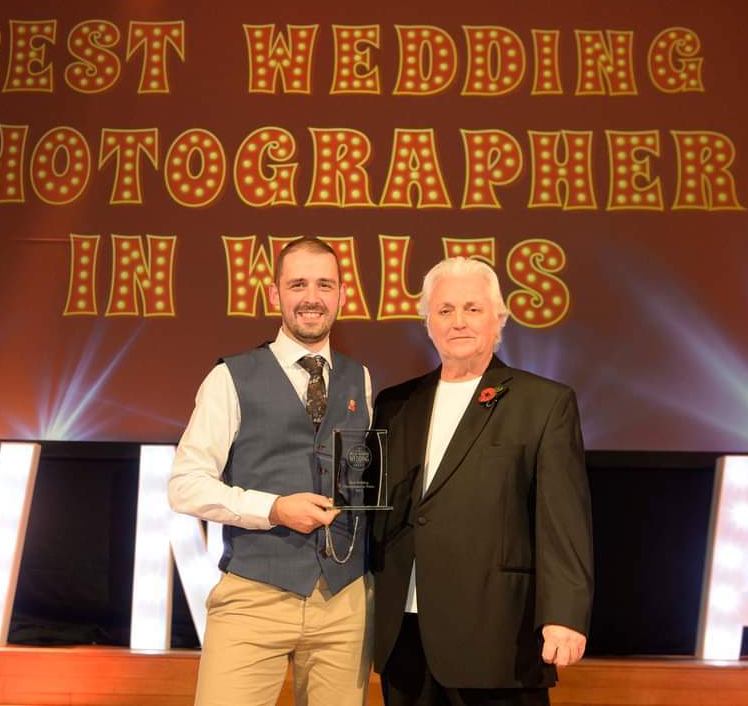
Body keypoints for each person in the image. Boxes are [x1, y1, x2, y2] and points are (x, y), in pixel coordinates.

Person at [370, 256, 594, 706]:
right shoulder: (395, 404)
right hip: (407, 635)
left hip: (498, 636)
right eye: (445, 310)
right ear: (427, 322)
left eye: (472, 309)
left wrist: (564, 615)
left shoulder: (543, 403)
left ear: (500, 319)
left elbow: (563, 520)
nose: (458, 322)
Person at [169, 236, 373, 706]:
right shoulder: (230, 377)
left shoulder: (359, 378)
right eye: (298, 283)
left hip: (344, 601)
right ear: (274, 294)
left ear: (342, 294)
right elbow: (185, 485)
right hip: (254, 597)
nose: (312, 297)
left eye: (325, 284)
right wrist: (274, 509)